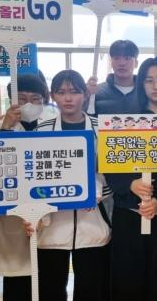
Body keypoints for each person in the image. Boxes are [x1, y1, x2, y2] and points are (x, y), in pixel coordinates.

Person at [32, 70, 113, 301]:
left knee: (91, 288)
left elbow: (114, 172)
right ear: (52, 96)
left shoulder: (102, 129)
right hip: (52, 226)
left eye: (75, 92)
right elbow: (33, 176)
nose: (68, 98)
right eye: (61, 92)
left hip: (93, 222)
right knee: (51, 288)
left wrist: (95, 192)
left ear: (85, 95)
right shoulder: (42, 130)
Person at [112, 57, 157, 300]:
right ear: (141, 85)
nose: (156, 86)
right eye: (149, 80)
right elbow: (111, 164)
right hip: (130, 217)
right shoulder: (125, 121)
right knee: (128, 285)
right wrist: (130, 183)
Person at [0, 73, 50, 301]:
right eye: (21, 99)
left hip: (46, 211)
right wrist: (6, 127)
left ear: (44, 100)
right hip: (12, 215)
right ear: (11, 100)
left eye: (35, 99)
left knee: (49, 277)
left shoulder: (51, 125)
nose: (29, 104)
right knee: (17, 281)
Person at [87, 39, 141, 115]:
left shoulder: (145, 91)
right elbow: (84, 117)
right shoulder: (96, 92)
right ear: (111, 62)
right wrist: (85, 96)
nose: (122, 63)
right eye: (116, 58)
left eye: (127, 58)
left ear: (136, 63)